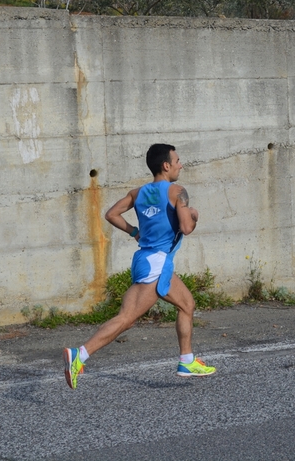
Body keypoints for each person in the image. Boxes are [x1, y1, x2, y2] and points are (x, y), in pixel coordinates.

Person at [63, 144, 216, 389]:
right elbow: (187, 228)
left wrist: (135, 231)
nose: (180, 164)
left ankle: (187, 360)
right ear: (166, 165)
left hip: (149, 260)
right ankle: (79, 355)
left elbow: (111, 214)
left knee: (187, 304)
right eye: (177, 160)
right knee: (127, 318)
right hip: (155, 263)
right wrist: (194, 214)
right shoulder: (177, 192)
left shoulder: (138, 193)